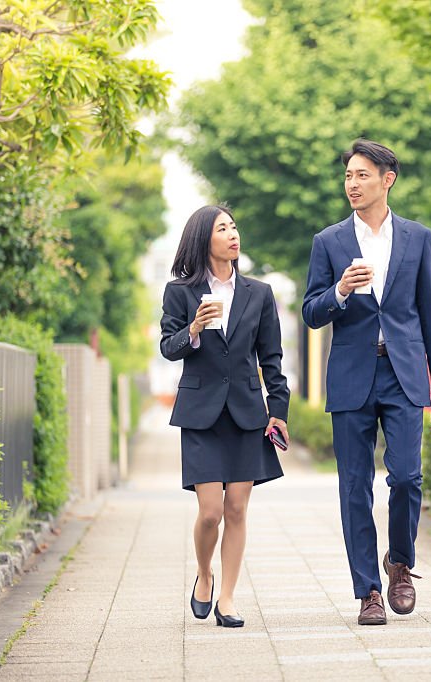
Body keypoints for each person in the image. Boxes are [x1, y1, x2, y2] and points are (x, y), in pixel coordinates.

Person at [302, 139, 431, 626]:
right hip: (351, 377)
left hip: (405, 374)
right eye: (348, 176)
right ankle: (367, 589)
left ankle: (400, 563)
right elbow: (310, 311)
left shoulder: (417, 238)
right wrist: (340, 291)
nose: (352, 184)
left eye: (362, 175)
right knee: (354, 487)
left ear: (387, 180)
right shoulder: (329, 242)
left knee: (407, 477)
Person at [160, 205, 290, 628]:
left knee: (237, 508)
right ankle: (204, 574)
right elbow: (168, 346)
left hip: (247, 413)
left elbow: (271, 357)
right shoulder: (180, 292)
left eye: (234, 227)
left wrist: (279, 410)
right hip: (201, 415)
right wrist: (193, 328)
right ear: (204, 239)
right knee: (211, 511)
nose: (233, 234)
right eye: (223, 228)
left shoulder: (259, 293)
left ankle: (228, 598)